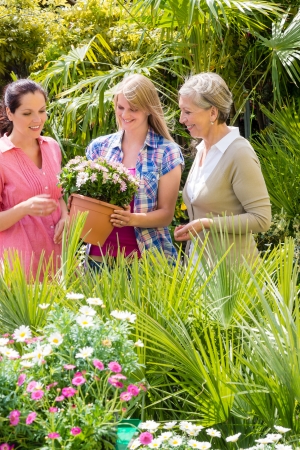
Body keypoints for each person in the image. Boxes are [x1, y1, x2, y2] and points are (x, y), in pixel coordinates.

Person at [85, 73, 184, 267]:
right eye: (121, 107)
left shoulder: (166, 152)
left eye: (133, 109)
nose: (125, 115)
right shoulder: (99, 148)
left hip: (145, 262)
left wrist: (131, 219)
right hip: (98, 259)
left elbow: (166, 215)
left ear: (149, 109)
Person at [174, 72, 271, 265]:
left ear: (212, 112)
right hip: (199, 271)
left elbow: (262, 219)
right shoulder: (202, 149)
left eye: (188, 112)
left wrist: (207, 224)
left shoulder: (238, 152)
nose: (181, 119)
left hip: (233, 276)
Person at [0, 79, 68, 277]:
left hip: (60, 261)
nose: (37, 119)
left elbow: (59, 195)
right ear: (9, 113)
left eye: (42, 110)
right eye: (27, 113)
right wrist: (24, 208)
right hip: (21, 269)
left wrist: (65, 216)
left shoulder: (52, 147)